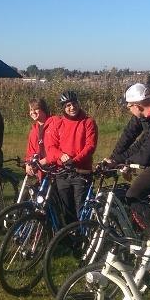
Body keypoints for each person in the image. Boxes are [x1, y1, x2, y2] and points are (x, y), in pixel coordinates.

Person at [44, 90, 98, 223]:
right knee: (66, 208)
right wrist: (61, 155)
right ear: (63, 108)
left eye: (74, 104)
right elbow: (51, 146)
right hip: (62, 172)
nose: (72, 107)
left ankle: (84, 237)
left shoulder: (88, 122)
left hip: (80, 171)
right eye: (68, 105)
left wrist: (74, 161)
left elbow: (90, 146)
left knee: (81, 207)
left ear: (78, 104)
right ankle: (71, 238)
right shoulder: (58, 123)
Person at [24, 98, 58, 177]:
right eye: (31, 110)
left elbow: (60, 147)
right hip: (41, 170)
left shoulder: (55, 123)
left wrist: (46, 160)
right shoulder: (34, 129)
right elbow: (31, 150)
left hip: (56, 169)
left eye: (36, 109)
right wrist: (28, 163)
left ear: (43, 109)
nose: (33, 112)